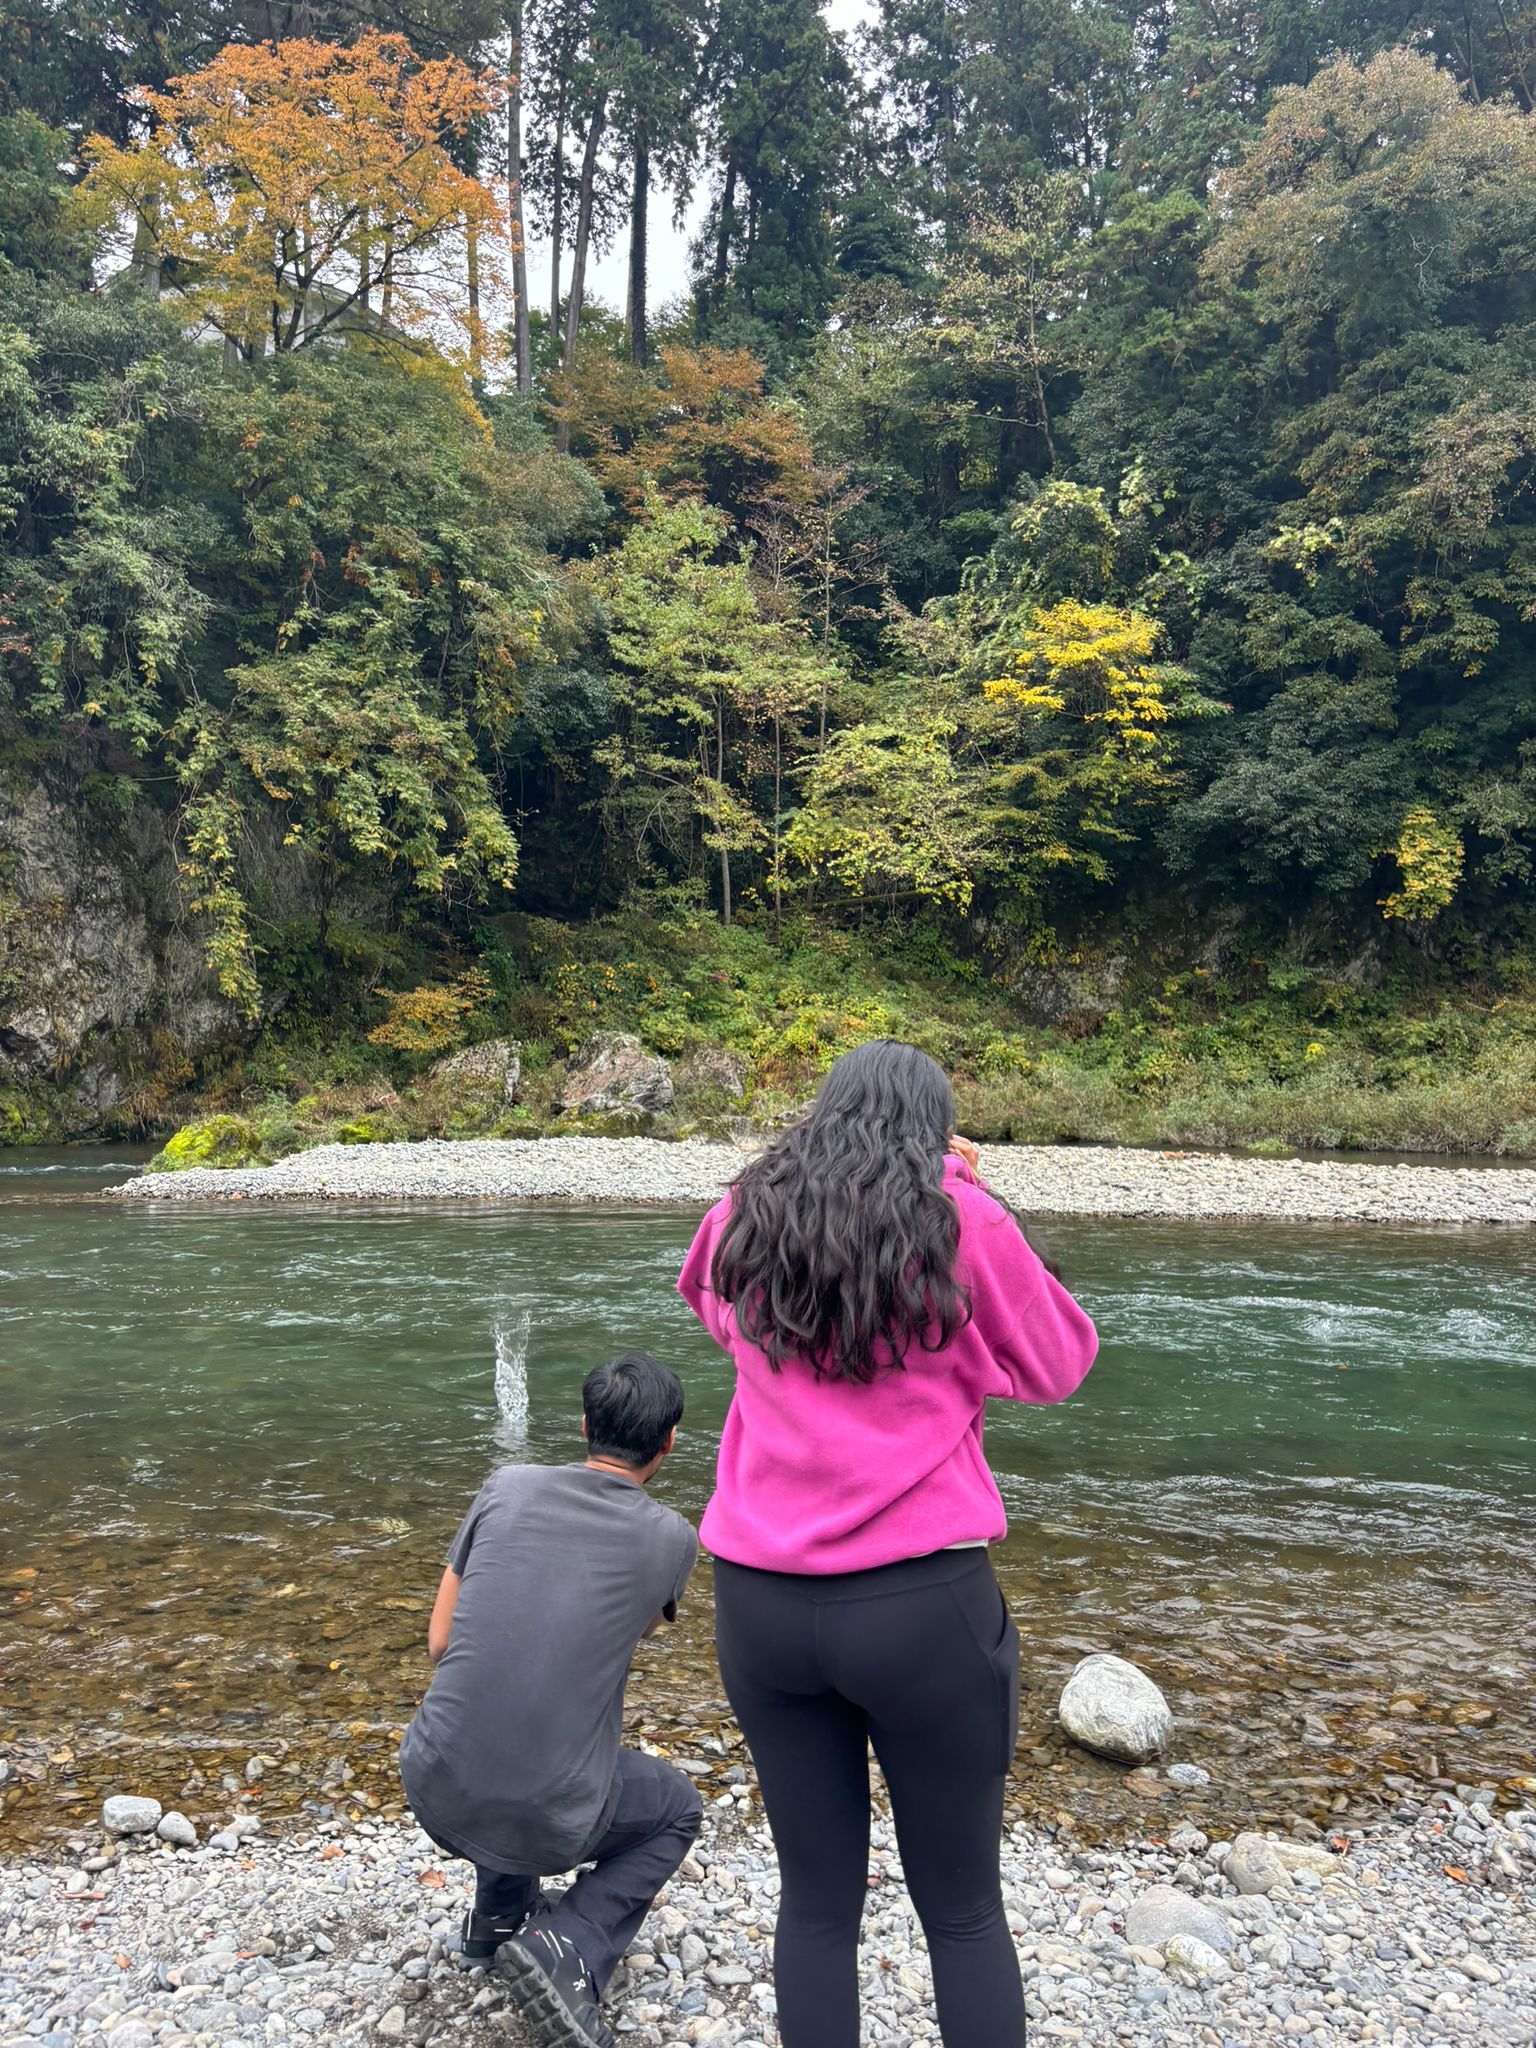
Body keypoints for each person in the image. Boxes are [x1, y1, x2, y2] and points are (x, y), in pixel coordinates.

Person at [677, 1040, 1099, 2048]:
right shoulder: (963, 1219)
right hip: (921, 1607)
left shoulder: (742, 1210)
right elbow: (1059, 1362)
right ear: (934, 1128)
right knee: (962, 1911)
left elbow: (712, 1310)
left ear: (823, 1111)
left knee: (816, 1903)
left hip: (761, 1602)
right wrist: (969, 1193)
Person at [398, 1352, 702, 2048]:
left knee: (511, 1716)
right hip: (541, 1808)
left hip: (432, 1775)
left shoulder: (505, 1485)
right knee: (675, 1809)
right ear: (669, 1441)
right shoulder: (672, 1538)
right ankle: (571, 1944)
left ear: (585, 1424)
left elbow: (440, 1642)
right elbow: (644, 1626)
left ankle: (497, 1919)